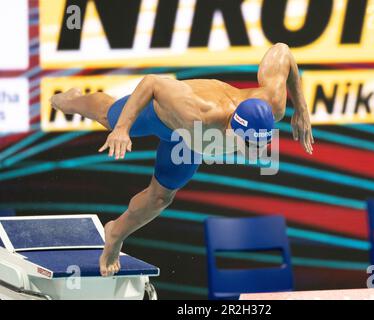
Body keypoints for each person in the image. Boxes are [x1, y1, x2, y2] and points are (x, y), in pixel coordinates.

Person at [50, 43, 314, 277]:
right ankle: (73, 100)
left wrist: (301, 108)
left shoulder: (274, 104)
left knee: (160, 198)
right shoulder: (197, 110)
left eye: (259, 145)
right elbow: (152, 82)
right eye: (247, 144)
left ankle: (115, 234)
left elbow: (282, 50)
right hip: (161, 117)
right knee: (109, 116)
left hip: (190, 142)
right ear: (234, 128)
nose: (252, 152)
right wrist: (122, 129)